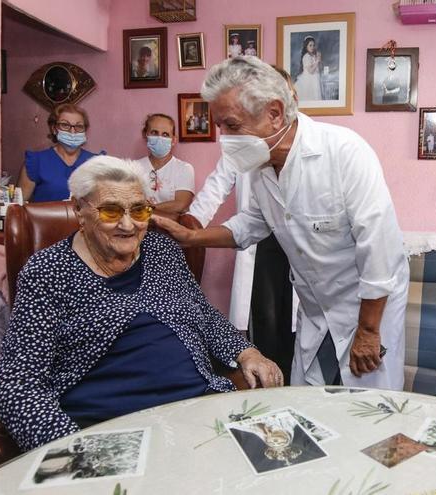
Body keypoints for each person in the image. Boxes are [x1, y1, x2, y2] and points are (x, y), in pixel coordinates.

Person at [0, 156, 281, 451]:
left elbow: (203, 314)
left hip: (198, 412)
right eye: (110, 211)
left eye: (139, 210)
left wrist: (247, 352)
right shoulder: (48, 270)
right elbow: (18, 383)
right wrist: (72, 451)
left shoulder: (161, 251)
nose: (128, 224)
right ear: (79, 209)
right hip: (107, 430)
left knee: (289, 461)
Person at [156, 56, 408, 390]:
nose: (225, 139)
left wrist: (369, 330)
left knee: (370, 407)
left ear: (274, 114)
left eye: (232, 126)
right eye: (221, 128)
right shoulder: (261, 166)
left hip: (367, 307)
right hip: (316, 304)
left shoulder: (344, 153)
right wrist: (192, 237)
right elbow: (252, 224)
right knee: (308, 399)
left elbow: (380, 252)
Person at [189, 65, 298, 381]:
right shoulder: (241, 142)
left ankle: (294, 384)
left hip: (298, 244)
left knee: (298, 328)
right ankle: (270, 386)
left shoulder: (307, 147)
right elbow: (216, 185)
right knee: (264, 320)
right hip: (260, 243)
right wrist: (192, 224)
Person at [18, 103, 101, 202]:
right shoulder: (36, 162)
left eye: (79, 126)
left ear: (85, 131)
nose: (72, 131)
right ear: (54, 129)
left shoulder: (97, 163)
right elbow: (18, 208)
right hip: (45, 217)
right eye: (65, 125)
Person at [131, 113, 195, 214]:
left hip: (171, 227)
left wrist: (147, 209)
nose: (159, 138)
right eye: (154, 133)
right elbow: (129, 202)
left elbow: (181, 204)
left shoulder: (184, 168)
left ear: (173, 140)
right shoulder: (133, 168)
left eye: (165, 134)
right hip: (140, 226)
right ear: (145, 135)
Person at [295, 36, 322, 101]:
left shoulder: (312, 56)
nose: (312, 47)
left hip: (315, 79)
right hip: (308, 81)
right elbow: (311, 71)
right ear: (306, 46)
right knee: (309, 97)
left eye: (313, 45)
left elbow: (318, 69)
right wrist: (317, 61)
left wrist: (318, 59)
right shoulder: (306, 57)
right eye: (310, 45)